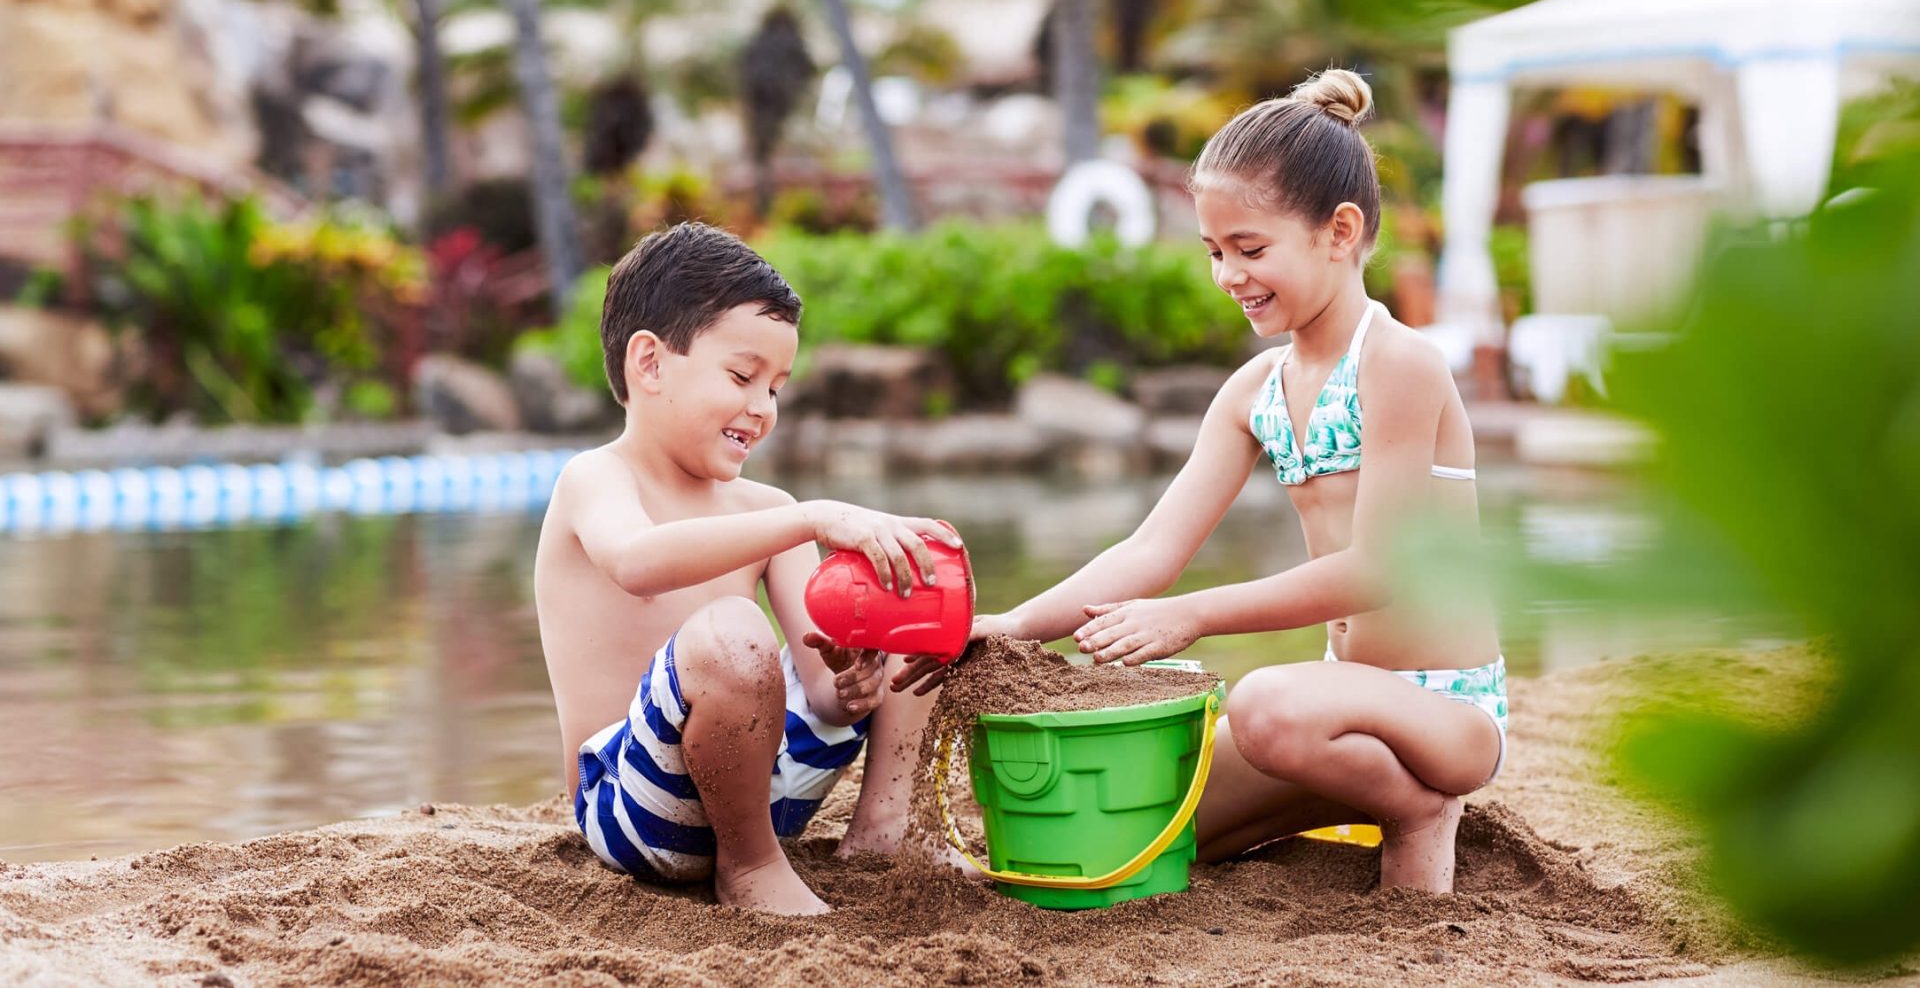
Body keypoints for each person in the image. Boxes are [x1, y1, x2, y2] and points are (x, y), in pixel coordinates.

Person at [898, 70, 1502, 893]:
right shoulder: (1253, 391)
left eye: (1251, 249)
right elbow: (1151, 550)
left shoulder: (1400, 364)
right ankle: (1359, 792)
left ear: (1340, 231)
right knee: (1140, 842)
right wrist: (1011, 626)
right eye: (1215, 251)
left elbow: (1378, 571)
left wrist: (1192, 616)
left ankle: (1419, 809)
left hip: (1444, 711)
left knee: (1265, 705)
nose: (1228, 275)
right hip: (1340, 706)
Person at [536, 221, 958, 915]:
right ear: (650, 364)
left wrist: (855, 682)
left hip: (768, 790)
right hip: (639, 810)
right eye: (741, 377)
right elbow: (638, 564)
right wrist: (811, 517)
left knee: (905, 590)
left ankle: (884, 826)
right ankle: (751, 869)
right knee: (733, 628)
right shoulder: (596, 479)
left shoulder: (769, 508)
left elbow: (824, 697)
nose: (762, 410)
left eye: (776, 387)